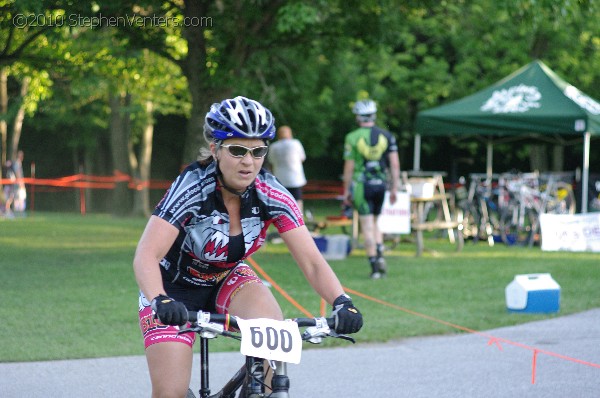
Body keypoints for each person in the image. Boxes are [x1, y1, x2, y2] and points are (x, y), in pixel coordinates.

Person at [133, 96, 363, 398]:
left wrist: (342, 300)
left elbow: (312, 262)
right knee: (170, 393)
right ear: (215, 149)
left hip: (228, 278)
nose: (248, 161)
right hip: (171, 288)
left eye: (258, 152)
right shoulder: (191, 187)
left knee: (272, 351)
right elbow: (146, 255)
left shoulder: (271, 193)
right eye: (238, 150)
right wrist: (159, 300)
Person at [342, 99, 401, 279]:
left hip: (362, 185)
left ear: (358, 117)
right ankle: (380, 254)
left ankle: (375, 266)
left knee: (366, 226)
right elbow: (395, 164)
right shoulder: (387, 135)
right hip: (381, 184)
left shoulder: (352, 137)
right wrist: (394, 188)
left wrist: (346, 191)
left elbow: (349, 167)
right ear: (374, 115)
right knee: (376, 222)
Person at [267, 125, 307, 214]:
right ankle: (298, 219)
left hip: (280, 179)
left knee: (282, 202)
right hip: (295, 178)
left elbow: (271, 162)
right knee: (297, 200)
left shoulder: (274, 146)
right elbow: (302, 158)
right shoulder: (296, 143)